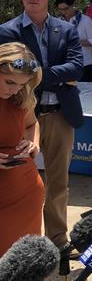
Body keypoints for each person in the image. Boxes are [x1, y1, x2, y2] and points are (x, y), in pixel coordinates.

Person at [0, 0, 84, 252]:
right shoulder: (6, 31)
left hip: (61, 113)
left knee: (59, 183)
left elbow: (77, 68)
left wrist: (32, 74)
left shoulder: (67, 29)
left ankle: (58, 241)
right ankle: (23, 242)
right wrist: (56, 76)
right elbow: (8, 75)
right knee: (16, 182)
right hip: (19, 115)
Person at [0, 42, 44, 256]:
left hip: (26, 190)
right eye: (9, 82)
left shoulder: (20, 97)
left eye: (21, 84)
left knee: (25, 261)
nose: (15, 89)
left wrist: (33, 142)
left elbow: (31, 123)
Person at [54, 0, 92, 82]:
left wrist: (75, 41)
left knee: (85, 94)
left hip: (84, 64)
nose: (63, 12)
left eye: (66, 8)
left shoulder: (85, 20)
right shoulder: (57, 22)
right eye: (60, 9)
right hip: (65, 64)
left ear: (73, 5)